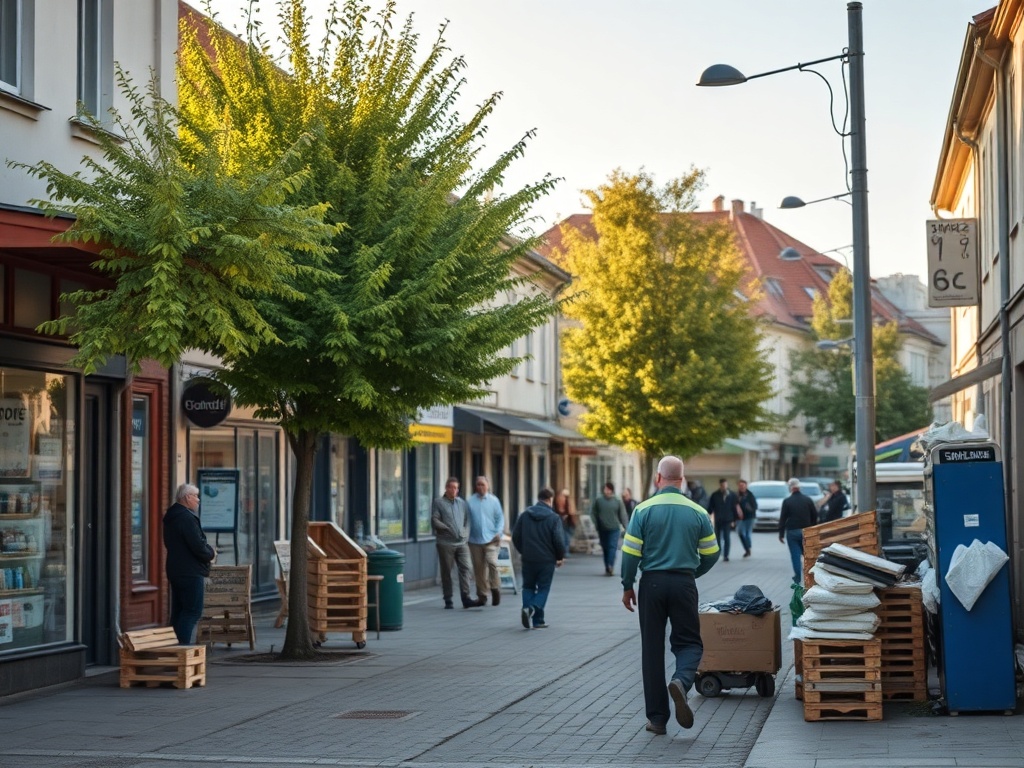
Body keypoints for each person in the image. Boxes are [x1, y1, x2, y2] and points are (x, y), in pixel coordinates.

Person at [621, 456, 720, 735]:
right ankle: (682, 680)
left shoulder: (642, 510)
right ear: (682, 478)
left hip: (651, 584)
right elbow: (712, 553)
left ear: (658, 477)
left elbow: (630, 553)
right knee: (689, 643)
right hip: (683, 583)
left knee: (651, 650)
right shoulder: (697, 511)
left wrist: (627, 585)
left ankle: (657, 719)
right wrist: (693, 573)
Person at [164, 483, 217, 645]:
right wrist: (211, 553)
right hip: (190, 571)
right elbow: (198, 545)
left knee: (179, 612)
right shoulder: (186, 517)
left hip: (176, 569)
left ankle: (173, 650)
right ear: (187, 497)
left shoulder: (171, 515)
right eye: (196, 496)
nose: (198, 500)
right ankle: (182, 651)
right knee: (192, 612)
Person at [511, 488, 566, 629]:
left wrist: (524, 551)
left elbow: (515, 536)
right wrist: (559, 556)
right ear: (550, 500)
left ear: (539, 498)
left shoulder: (525, 515)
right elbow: (559, 541)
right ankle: (532, 609)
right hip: (546, 560)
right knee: (543, 588)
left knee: (528, 586)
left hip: (528, 558)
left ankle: (537, 619)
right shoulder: (554, 518)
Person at [431, 477, 478, 609]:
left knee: (467, 568)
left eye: (456, 488)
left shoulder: (462, 503)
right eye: (452, 487)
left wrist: (466, 533)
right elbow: (434, 519)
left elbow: (467, 520)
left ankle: (466, 597)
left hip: (462, 543)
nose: (454, 490)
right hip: (445, 543)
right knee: (446, 571)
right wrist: (445, 527)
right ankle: (448, 598)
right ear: (446, 488)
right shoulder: (438, 502)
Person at [467, 475, 505, 607]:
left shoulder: (494, 501)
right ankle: (482, 596)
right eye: (478, 484)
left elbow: (500, 518)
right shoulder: (470, 501)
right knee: (479, 570)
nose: (480, 487)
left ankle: (495, 589)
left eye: (483, 484)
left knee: (493, 563)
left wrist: (499, 533)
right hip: (475, 541)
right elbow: (466, 520)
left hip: (491, 539)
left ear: (488, 486)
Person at [778, 477, 818, 584]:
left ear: (790, 488)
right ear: (799, 487)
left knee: (795, 556)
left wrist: (781, 534)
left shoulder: (787, 501)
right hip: (806, 531)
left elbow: (783, 518)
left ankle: (797, 577)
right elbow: (814, 516)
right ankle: (810, 575)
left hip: (792, 531)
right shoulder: (808, 500)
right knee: (807, 554)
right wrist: (813, 530)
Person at [590, 482, 629, 575]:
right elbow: (593, 513)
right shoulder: (599, 500)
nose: (606, 491)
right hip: (602, 528)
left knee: (612, 547)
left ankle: (610, 566)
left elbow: (623, 515)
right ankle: (607, 566)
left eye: (608, 489)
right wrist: (596, 524)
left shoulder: (617, 501)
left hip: (614, 528)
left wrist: (627, 527)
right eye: (605, 489)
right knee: (605, 548)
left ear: (611, 490)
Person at [707, 478, 739, 562]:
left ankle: (726, 555)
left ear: (727, 485)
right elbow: (710, 507)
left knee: (726, 537)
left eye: (725, 485)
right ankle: (718, 552)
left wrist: (734, 520)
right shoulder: (715, 495)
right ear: (720, 485)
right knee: (717, 538)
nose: (724, 487)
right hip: (718, 519)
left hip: (728, 519)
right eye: (722, 485)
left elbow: (734, 508)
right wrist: (708, 515)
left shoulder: (732, 495)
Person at [736, 479, 758, 558]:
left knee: (747, 534)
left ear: (746, 486)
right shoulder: (736, 495)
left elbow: (755, 506)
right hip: (740, 518)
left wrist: (748, 507)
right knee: (741, 533)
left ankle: (748, 548)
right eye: (740, 485)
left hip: (750, 517)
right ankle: (747, 548)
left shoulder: (750, 495)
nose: (741, 487)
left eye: (743, 485)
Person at [553, 489, 577, 553]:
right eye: (561, 496)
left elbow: (572, 512)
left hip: (568, 523)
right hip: (561, 523)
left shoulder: (568, 503)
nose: (562, 498)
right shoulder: (555, 504)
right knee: (564, 538)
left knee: (567, 538)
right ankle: (564, 552)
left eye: (564, 496)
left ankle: (565, 552)